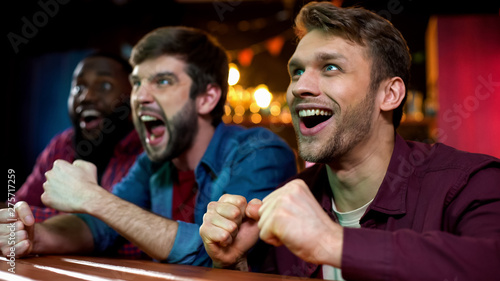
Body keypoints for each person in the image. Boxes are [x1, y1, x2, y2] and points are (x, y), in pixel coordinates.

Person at [199, 2, 500, 281]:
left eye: (331, 67)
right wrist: (233, 265)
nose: (300, 87)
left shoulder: (471, 183)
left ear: (390, 94)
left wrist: (328, 240)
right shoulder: (289, 199)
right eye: (297, 71)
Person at [0, 26, 297, 266]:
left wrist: (94, 197)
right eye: (138, 82)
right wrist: (34, 238)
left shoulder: (259, 152)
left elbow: (215, 255)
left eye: (163, 81)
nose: (140, 96)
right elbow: (98, 229)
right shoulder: (152, 162)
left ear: (207, 98)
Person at [6, 52, 145, 258]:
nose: (86, 97)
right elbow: (16, 207)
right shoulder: (62, 145)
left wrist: (30, 225)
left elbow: (119, 233)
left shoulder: (146, 149)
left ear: (134, 95)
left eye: (104, 86)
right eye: (78, 87)